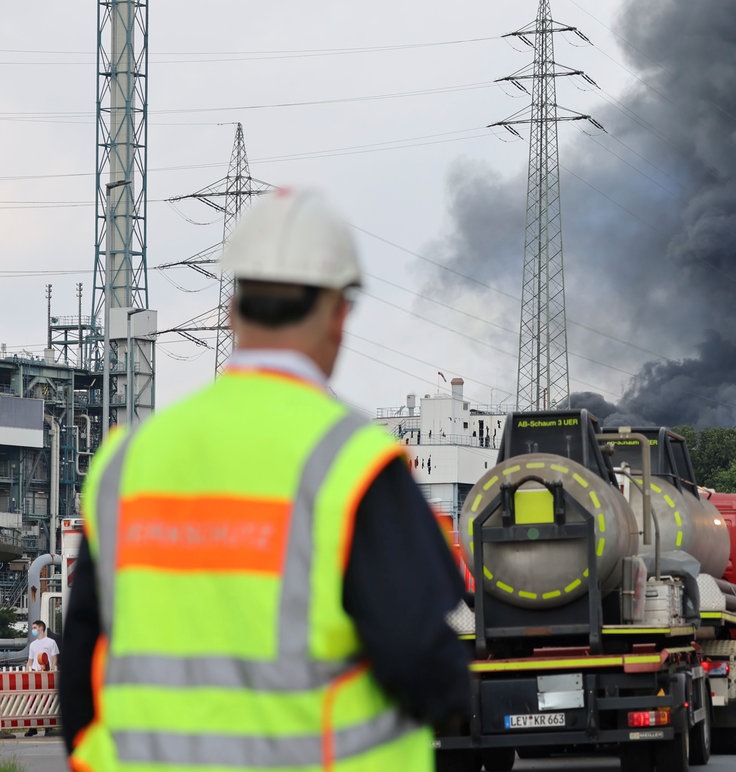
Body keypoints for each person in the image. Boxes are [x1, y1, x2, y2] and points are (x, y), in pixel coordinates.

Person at [61, 189, 471, 770]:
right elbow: (426, 664)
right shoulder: (354, 465)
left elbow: (79, 684)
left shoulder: (127, 465)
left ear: (232, 311)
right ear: (338, 315)